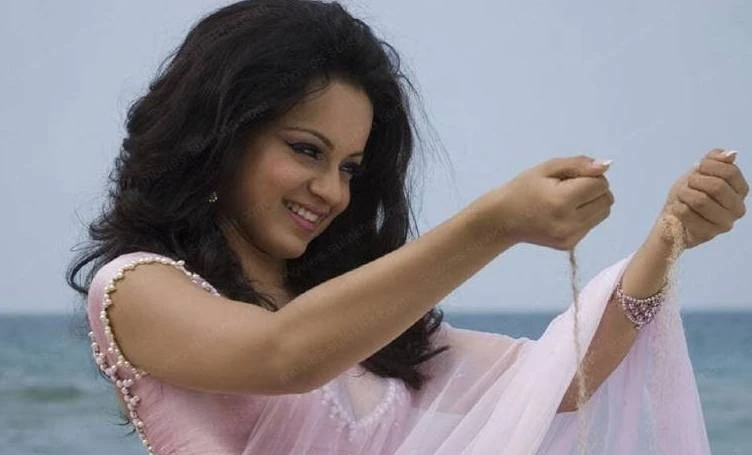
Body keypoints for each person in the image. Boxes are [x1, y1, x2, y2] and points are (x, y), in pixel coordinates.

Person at [66, 1, 748, 453]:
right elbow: (283, 356)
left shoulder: (366, 329)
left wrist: (668, 239)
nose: (332, 191)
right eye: (306, 150)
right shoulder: (135, 287)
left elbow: (565, 377)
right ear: (220, 135)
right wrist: (495, 222)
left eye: (351, 168)